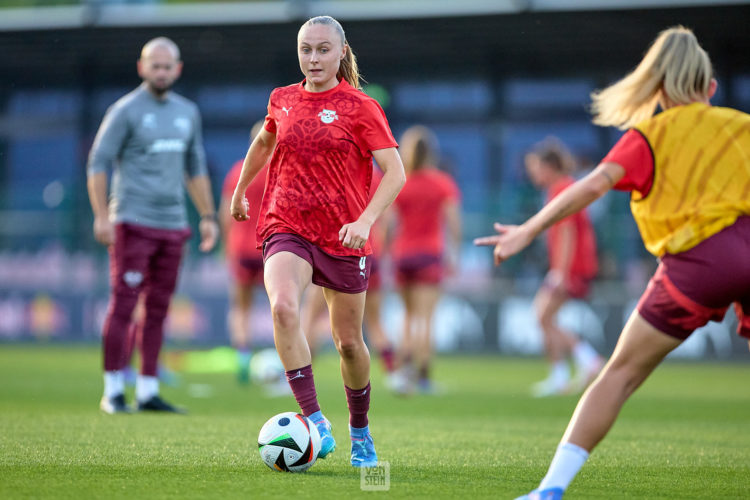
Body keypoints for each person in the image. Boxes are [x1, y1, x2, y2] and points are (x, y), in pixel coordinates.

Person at [475, 26, 750, 499]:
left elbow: (594, 184)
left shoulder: (649, 135)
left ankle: (549, 490)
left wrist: (529, 229)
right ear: (710, 87)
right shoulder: (741, 126)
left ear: (657, 88)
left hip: (697, 263)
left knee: (619, 375)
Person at [229, 15, 405, 467]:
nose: (313, 58)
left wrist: (365, 222)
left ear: (341, 53)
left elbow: (395, 173)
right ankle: (315, 422)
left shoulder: (360, 106)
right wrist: (239, 191)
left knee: (348, 342)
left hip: (344, 234)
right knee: (283, 307)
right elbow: (264, 144)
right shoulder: (281, 99)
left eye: (323, 49)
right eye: (306, 49)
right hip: (284, 224)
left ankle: (360, 432)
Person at [87, 37, 219, 414]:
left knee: (159, 309)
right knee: (124, 305)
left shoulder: (187, 112)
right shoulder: (125, 110)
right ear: (142, 67)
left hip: (173, 224)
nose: (161, 72)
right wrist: (101, 214)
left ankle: (147, 390)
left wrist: (208, 217)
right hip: (131, 221)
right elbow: (98, 161)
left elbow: (195, 167)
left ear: (177, 69)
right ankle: (113, 391)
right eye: (154, 65)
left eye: (167, 66)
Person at [522, 138, 603, 397]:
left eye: (535, 166)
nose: (532, 173)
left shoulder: (562, 189)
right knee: (545, 317)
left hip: (570, 267)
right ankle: (567, 370)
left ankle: (584, 362)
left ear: (548, 166)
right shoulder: (563, 188)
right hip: (572, 265)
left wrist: (561, 273)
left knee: (542, 316)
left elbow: (567, 231)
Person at [389, 125, 461, 394]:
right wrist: (454, 254)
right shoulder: (443, 183)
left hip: (402, 255)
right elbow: (453, 223)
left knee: (407, 316)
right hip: (430, 255)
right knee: (426, 319)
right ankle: (423, 376)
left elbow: (389, 224)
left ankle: (402, 372)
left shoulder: (400, 181)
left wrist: (385, 253)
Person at [219, 120, 268, 384]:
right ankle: (282, 359)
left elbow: (225, 214)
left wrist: (225, 247)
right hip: (270, 247)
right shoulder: (278, 170)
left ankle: (243, 356)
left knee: (241, 308)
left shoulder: (237, 171)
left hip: (240, 248)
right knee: (282, 306)